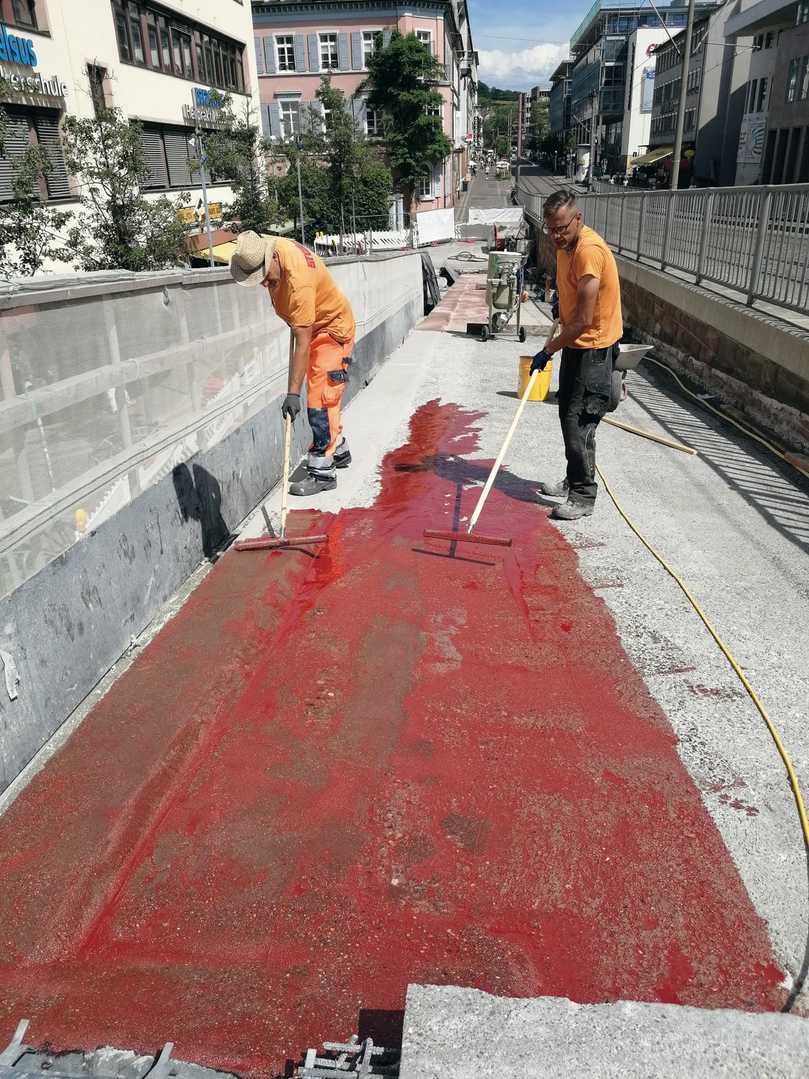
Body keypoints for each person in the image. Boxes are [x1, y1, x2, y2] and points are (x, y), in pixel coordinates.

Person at [230, 231, 355, 496]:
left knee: (320, 401)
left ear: (273, 257)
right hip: (315, 326)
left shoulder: (299, 282)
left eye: (265, 275)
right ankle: (339, 451)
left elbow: (302, 339)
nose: (264, 283)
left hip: (332, 330)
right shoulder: (265, 247)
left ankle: (322, 472)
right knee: (322, 396)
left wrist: (292, 394)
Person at [530, 188, 623, 520]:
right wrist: (560, 304)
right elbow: (571, 297)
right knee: (566, 414)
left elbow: (585, 320)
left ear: (578, 220)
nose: (555, 235)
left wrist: (547, 350)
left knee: (580, 420)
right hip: (576, 344)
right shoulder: (564, 246)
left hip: (594, 348)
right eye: (550, 228)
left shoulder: (588, 251)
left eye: (562, 228)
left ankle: (583, 496)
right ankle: (573, 479)